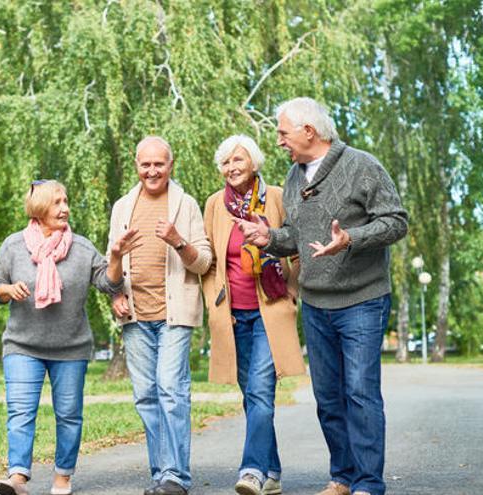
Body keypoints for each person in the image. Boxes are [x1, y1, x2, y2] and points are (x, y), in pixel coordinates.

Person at [238, 98, 408, 495]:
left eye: (283, 133)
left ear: (308, 132)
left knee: (360, 393)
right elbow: (296, 236)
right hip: (316, 303)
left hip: (362, 300)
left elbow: (396, 222)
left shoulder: (361, 166)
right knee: (328, 398)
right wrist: (270, 238)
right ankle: (343, 477)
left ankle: (368, 483)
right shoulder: (295, 177)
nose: (279, 141)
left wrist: (351, 239)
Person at [0, 180, 140, 495]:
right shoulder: (14, 246)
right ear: (40, 208)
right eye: (57, 202)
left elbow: (108, 284)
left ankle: (63, 475)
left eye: (66, 201)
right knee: (20, 411)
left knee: (68, 414)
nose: (65, 208)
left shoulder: (81, 248)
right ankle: (17, 476)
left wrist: (115, 257)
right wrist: (8, 290)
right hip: (22, 345)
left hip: (71, 348)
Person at [107, 136, 213, 495]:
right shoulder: (122, 206)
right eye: (145, 164)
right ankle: (161, 475)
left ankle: (176, 477)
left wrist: (177, 240)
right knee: (146, 396)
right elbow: (112, 267)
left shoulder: (185, 205)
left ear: (171, 165)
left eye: (159, 164)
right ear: (137, 165)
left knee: (171, 390)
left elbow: (203, 261)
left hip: (174, 313)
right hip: (135, 316)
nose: (152, 171)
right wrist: (115, 292)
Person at [201, 135, 306, 495]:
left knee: (261, 392)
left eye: (238, 160)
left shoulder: (275, 197)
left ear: (254, 163)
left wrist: (293, 288)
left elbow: (296, 244)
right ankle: (273, 470)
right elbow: (211, 261)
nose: (231, 167)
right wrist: (215, 304)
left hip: (269, 311)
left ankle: (252, 471)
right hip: (233, 315)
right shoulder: (215, 204)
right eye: (226, 162)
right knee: (252, 396)